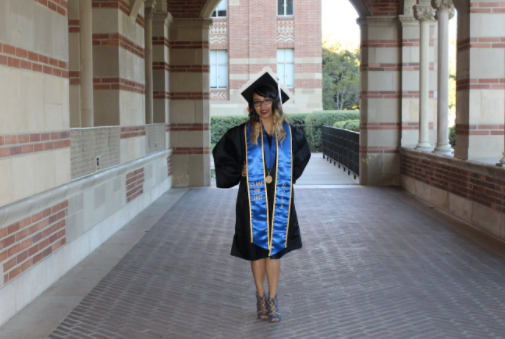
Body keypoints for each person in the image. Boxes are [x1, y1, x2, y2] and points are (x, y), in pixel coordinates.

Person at [212, 71, 311, 323]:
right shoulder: (242, 133)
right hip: (252, 199)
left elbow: (302, 156)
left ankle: (273, 299)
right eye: (257, 102)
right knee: (257, 249)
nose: (262, 106)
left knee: (274, 250)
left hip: (279, 198)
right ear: (252, 106)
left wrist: (287, 176)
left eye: (267, 101)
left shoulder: (289, 133)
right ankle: (260, 297)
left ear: (275, 103)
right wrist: (239, 170)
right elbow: (222, 154)